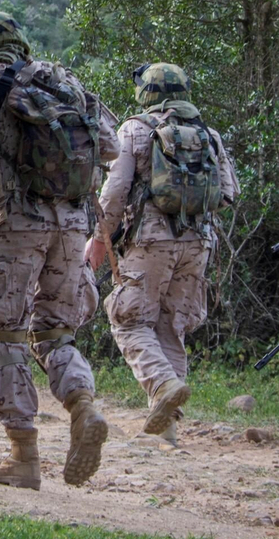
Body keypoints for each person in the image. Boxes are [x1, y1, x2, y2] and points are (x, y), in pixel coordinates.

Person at [0, 11, 119, 489]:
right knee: (57, 333)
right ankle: (83, 406)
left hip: (16, 222)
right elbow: (110, 144)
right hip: (70, 222)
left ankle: (23, 455)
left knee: (7, 333)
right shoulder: (64, 81)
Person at [92, 63, 238, 442]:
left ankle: (160, 387)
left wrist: (99, 238)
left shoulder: (136, 129)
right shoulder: (209, 134)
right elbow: (228, 194)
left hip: (150, 241)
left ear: (147, 93)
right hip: (199, 242)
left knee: (128, 320)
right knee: (171, 327)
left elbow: (114, 194)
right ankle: (166, 429)